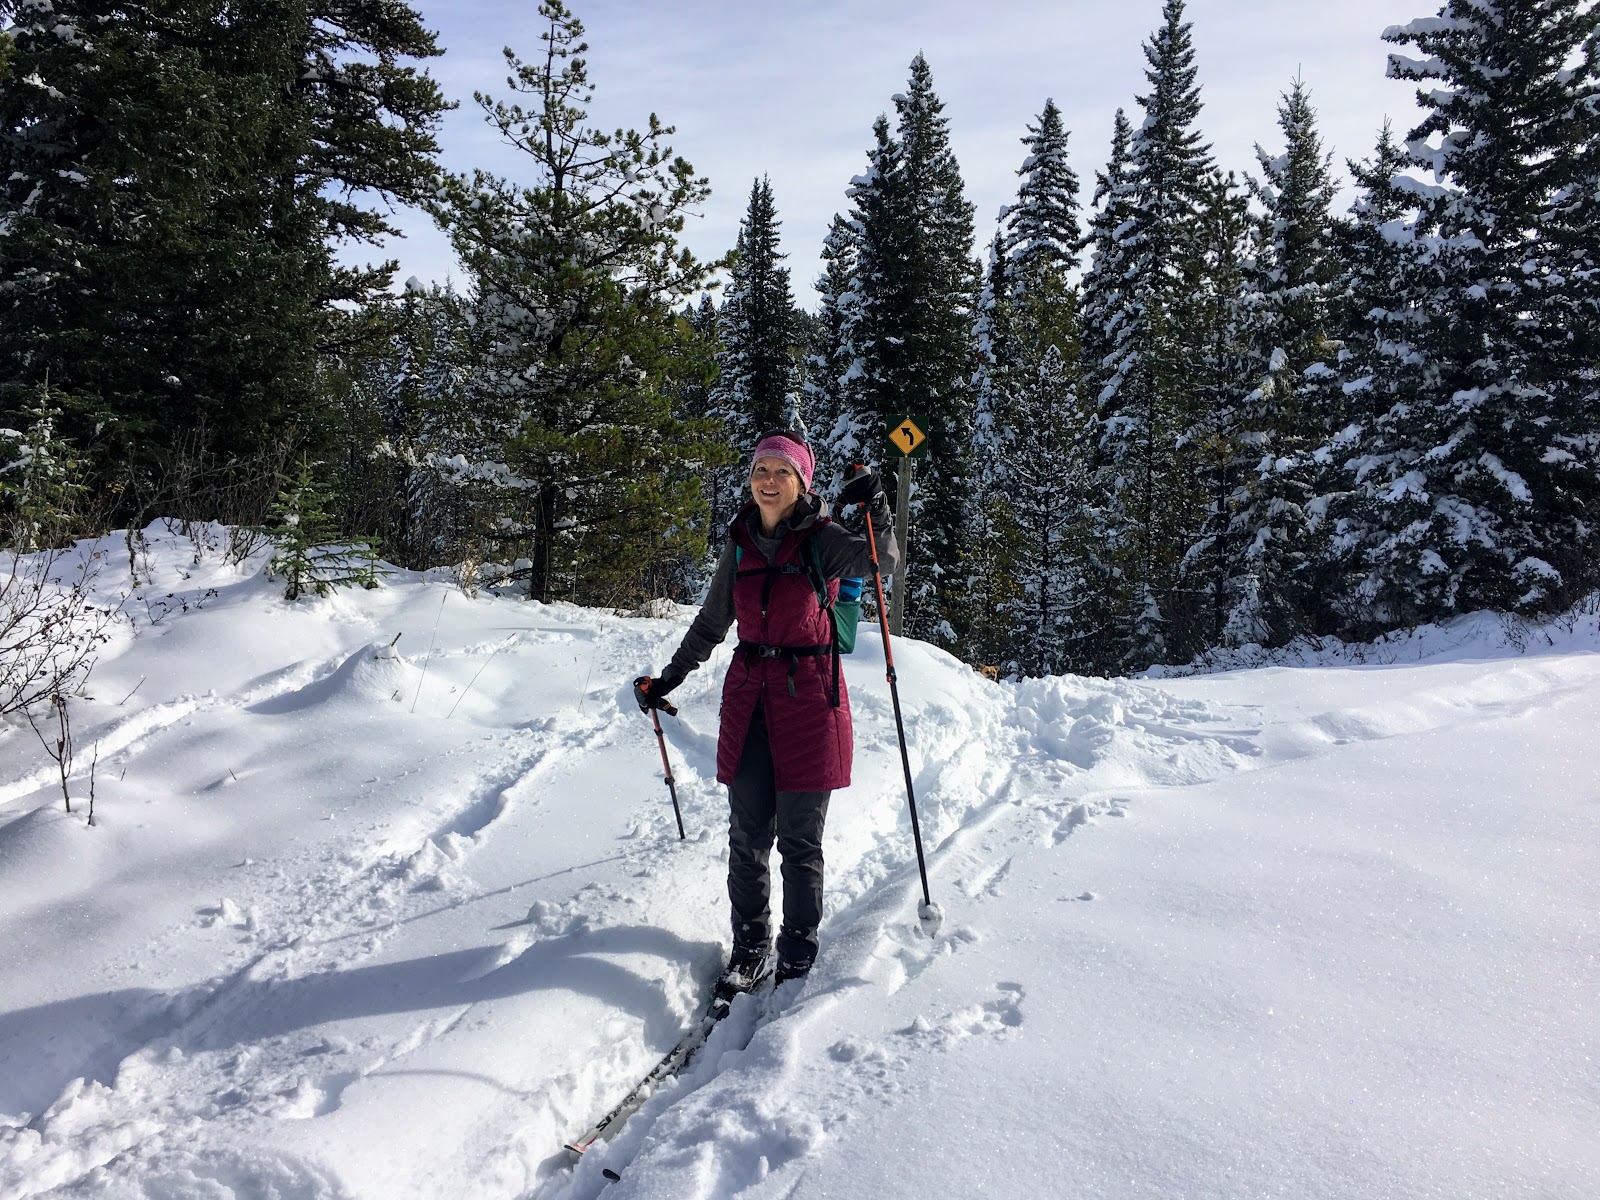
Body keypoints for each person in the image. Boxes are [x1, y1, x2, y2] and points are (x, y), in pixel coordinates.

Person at [634, 430, 898, 987]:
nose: (769, 481)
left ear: (802, 482)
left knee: (801, 840)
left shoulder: (823, 538)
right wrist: (670, 680)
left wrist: (879, 511)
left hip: (810, 702)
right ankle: (749, 946)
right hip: (750, 699)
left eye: (782, 472)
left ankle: (798, 948)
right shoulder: (740, 544)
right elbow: (711, 623)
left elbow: (881, 564)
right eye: (761, 471)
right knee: (747, 836)